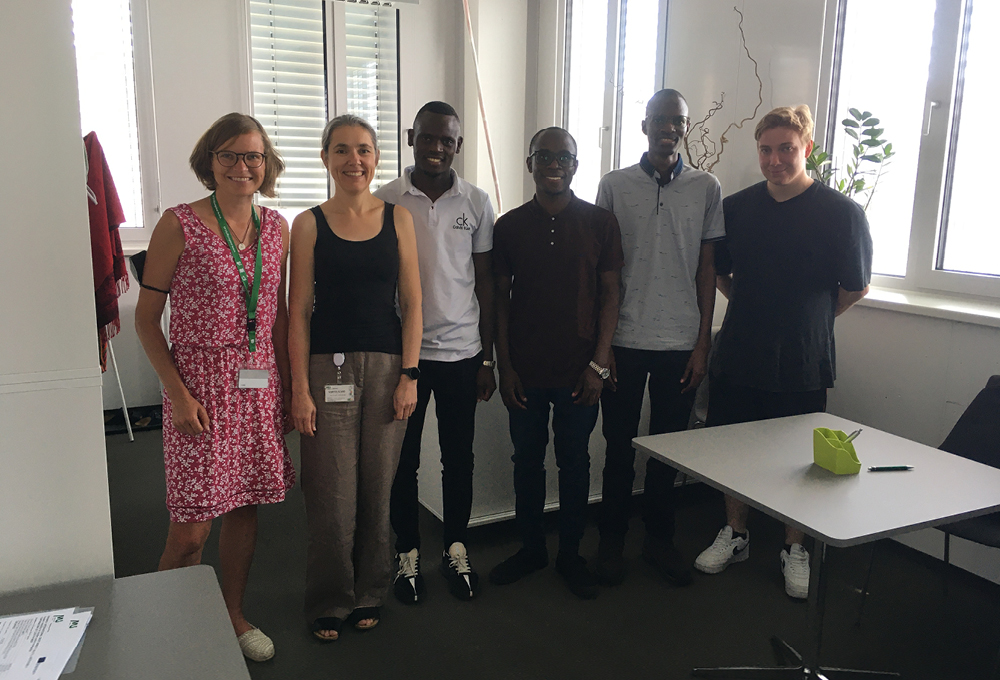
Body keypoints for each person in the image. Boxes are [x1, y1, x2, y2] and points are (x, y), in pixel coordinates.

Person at [694, 105, 872, 599]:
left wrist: (807, 320)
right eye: (766, 149)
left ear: (807, 149)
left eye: (786, 149)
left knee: (797, 457)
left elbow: (854, 288)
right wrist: (760, 310)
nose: (774, 159)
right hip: (741, 351)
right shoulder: (737, 207)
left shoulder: (841, 214)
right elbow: (721, 275)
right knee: (733, 448)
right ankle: (736, 534)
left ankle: (794, 547)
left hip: (803, 358)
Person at [134, 112, 294, 662]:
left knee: (245, 507)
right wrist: (176, 393)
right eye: (229, 155)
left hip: (257, 388)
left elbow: (273, 315)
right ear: (210, 161)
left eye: (252, 156)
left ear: (266, 164)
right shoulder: (179, 224)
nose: (241, 166)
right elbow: (145, 319)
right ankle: (160, 623)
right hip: (198, 390)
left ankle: (232, 614)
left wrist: (291, 389)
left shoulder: (278, 228)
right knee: (190, 531)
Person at [288, 114, 422, 641]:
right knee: (330, 493)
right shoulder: (308, 223)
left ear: (376, 158)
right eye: (341, 150)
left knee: (376, 489)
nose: (354, 160)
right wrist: (299, 388)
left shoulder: (399, 219)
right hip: (327, 369)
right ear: (325, 159)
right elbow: (298, 311)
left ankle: (370, 592)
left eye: (363, 149)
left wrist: (410, 374)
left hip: (390, 368)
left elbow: (412, 303)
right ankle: (329, 598)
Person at [594, 89, 724, 587]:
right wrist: (600, 348)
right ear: (644, 125)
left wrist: (702, 344)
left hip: (680, 342)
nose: (669, 128)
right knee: (619, 446)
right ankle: (610, 541)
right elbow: (603, 270)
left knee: (669, 451)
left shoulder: (706, 186)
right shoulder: (614, 185)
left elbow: (707, 269)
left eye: (678, 121)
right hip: (624, 337)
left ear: (686, 128)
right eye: (660, 120)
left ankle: (659, 540)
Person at [489, 127, 624, 600]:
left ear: (575, 166)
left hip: (579, 371)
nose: (554, 164)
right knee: (526, 460)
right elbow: (499, 301)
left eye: (563, 157)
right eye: (544, 156)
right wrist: (503, 365)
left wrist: (600, 365)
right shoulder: (507, 227)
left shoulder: (601, 223)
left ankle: (570, 555)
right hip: (524, 371)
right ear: (529, 164)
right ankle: (531, 550)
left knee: (574, 462)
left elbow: (611, 295)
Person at [374, 101, 496, 603]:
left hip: (463, 352)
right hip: (404, 358)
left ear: (458, 146)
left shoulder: (477, 202)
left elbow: (486, 282)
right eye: (429, 138)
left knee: (458, 458)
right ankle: (407, 552)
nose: (438, 148)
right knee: (402, 461)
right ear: (412, 138)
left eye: (448, 140)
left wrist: (488, 358)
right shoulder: (386, 200)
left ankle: (456, 545)